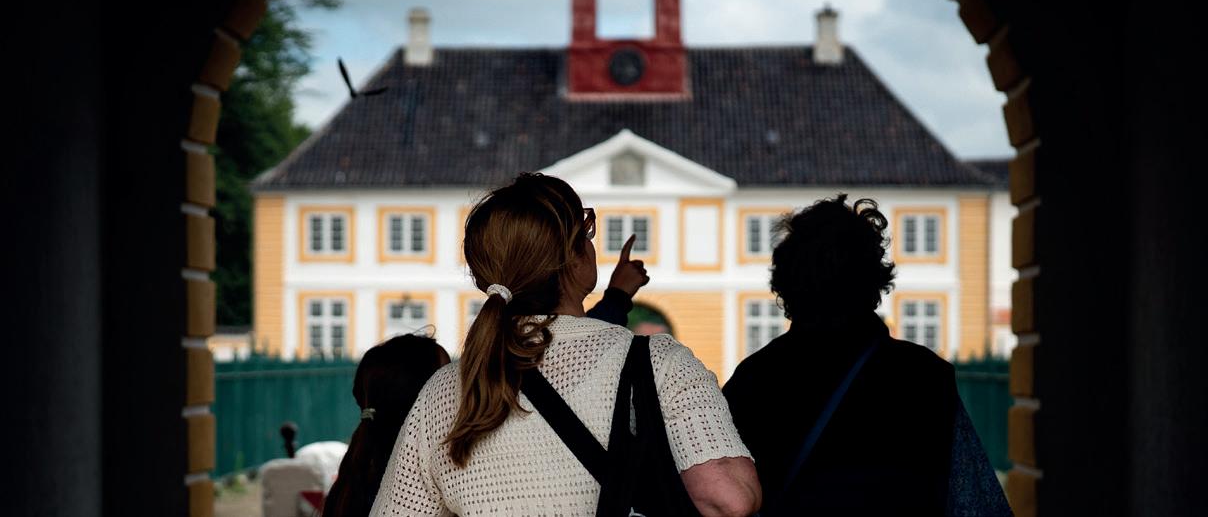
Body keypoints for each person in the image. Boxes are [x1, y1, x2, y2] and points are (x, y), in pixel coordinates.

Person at [370, 172, 760, 516]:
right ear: (575, 258)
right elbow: (729, 501)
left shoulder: (442, 392)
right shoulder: (661, 363)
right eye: (586, 234)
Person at [722, 195, 1011, 516]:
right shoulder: (925, 377)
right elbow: (973, 503)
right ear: (873, 281)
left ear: (786, 283)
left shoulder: (753, 381)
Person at [323, 333, 453, 517]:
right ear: (419, 403)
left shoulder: (361, 477)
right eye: (446, 381)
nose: (456, 390)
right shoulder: (408, 485)